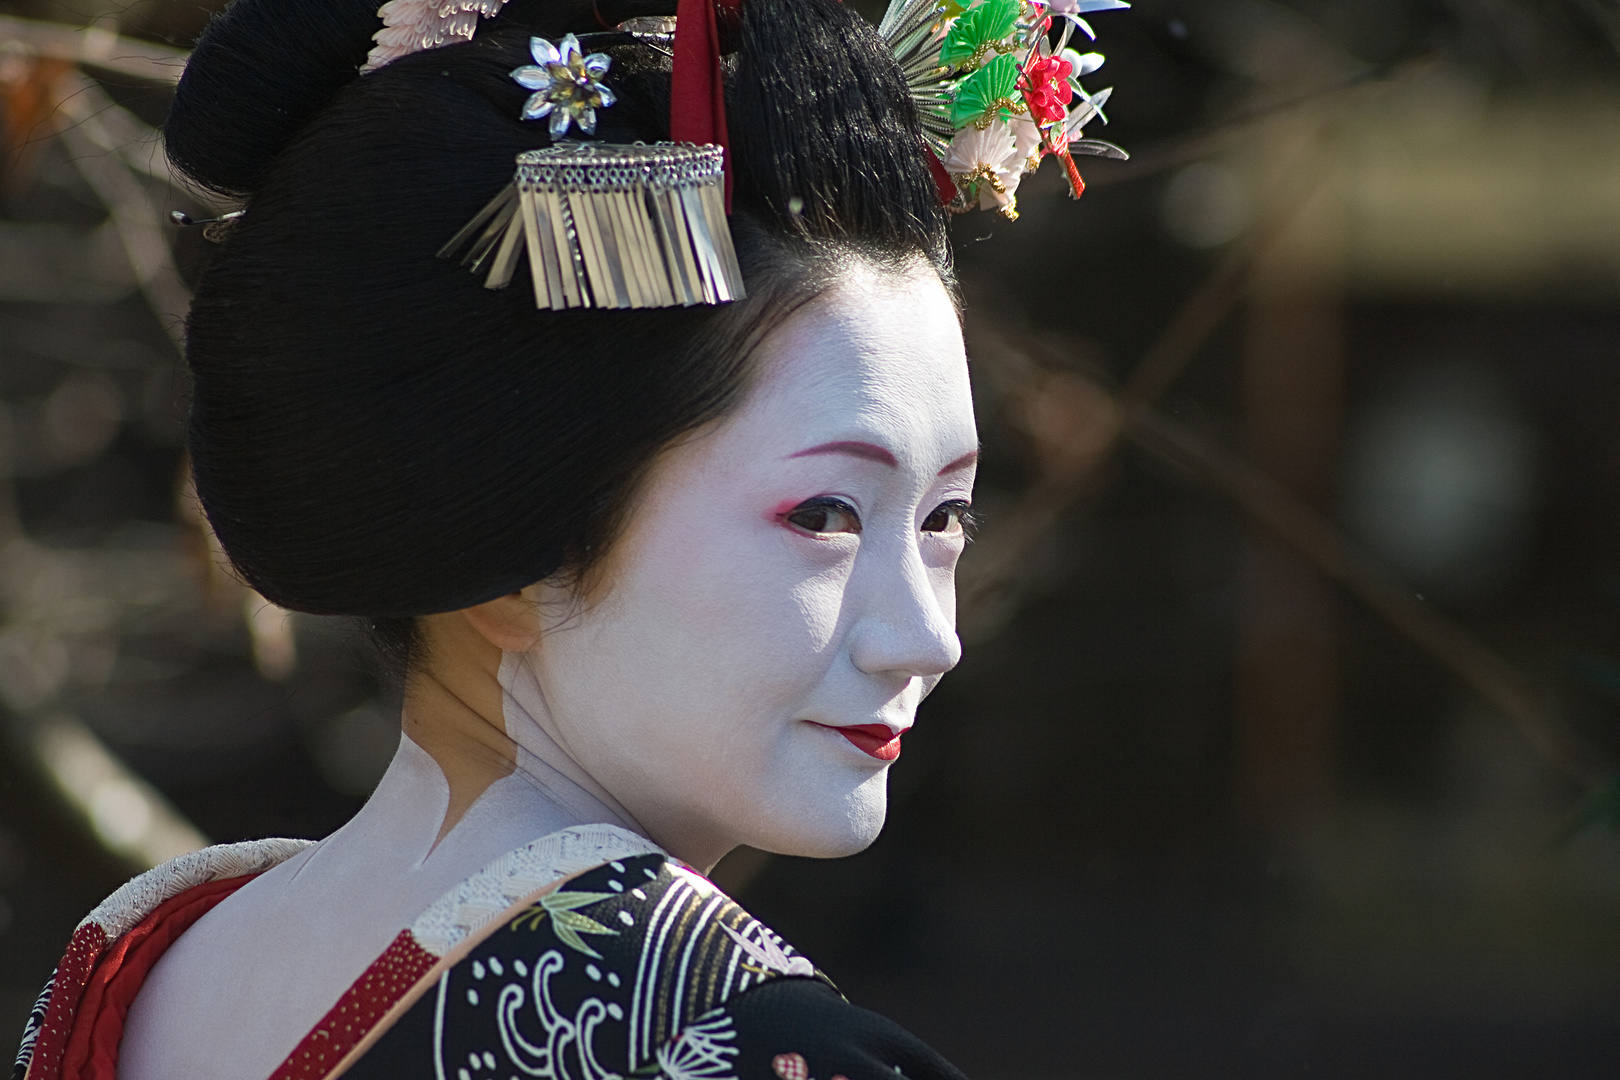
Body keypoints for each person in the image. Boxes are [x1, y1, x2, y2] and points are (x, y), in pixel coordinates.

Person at [15, 0, 1124, 1075]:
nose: (928, 638)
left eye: (945, 520)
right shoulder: (718, 1040)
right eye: (825, 515)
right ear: (510, 529)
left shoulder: (140, 966)